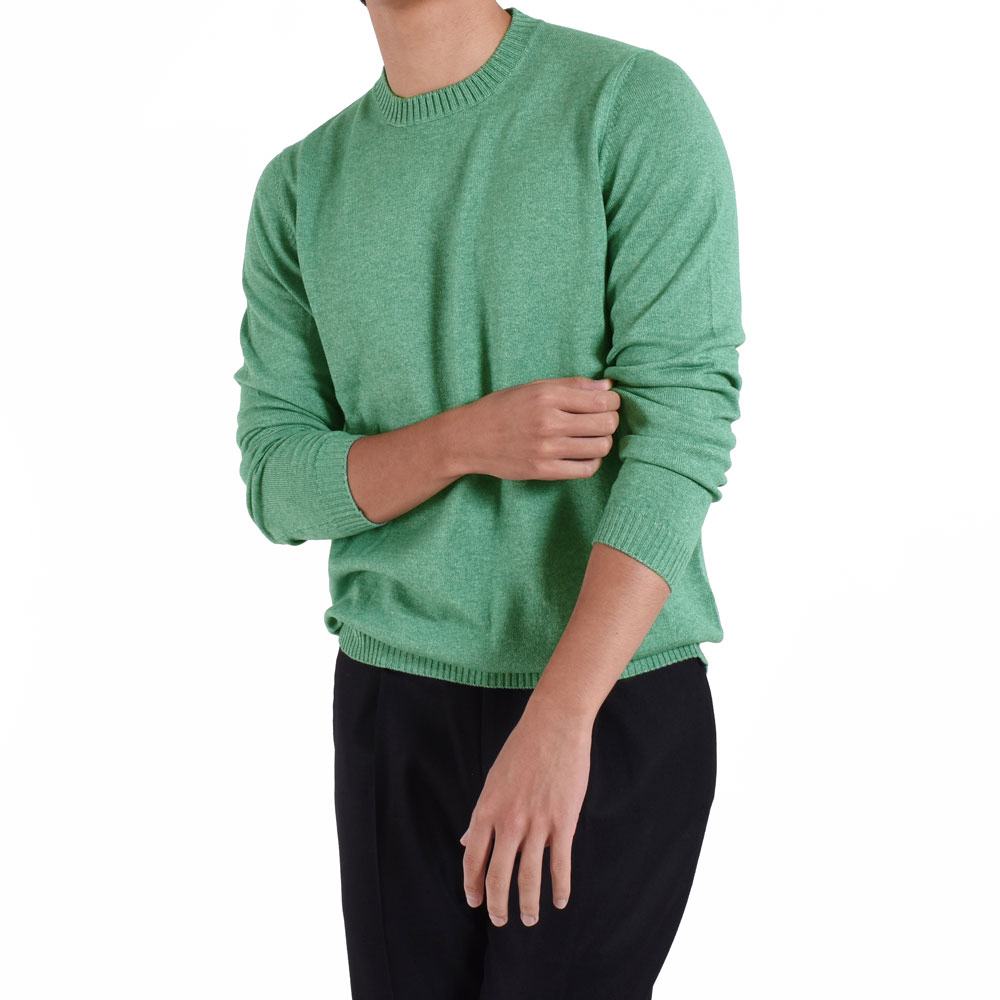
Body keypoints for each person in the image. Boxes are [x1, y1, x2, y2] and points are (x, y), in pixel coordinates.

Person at [233, 2, 744, 997]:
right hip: (391, 699)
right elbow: (277, 481)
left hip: (606, 693)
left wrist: (560, 717)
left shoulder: (629, 105)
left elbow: (680, 437)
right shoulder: (300, 186)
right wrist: (465, 440)